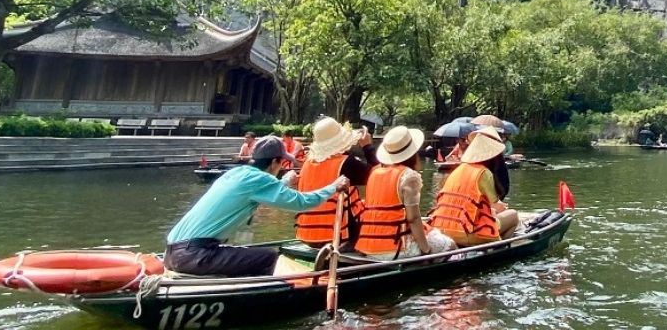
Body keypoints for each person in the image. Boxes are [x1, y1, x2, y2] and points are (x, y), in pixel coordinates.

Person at [165, 136, 347, 277]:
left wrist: (283, 182)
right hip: (195, 255)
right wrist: (333, 187)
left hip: (172, 253)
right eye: (282, 163)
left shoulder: (236, 173)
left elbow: (257, 192)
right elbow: (302, 202)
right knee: (268, 257)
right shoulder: (261, 179)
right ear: (276, 162)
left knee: (251, 254)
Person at [356, 126, 455, 259]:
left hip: (367, 246)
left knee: (432, 233)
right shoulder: (408, 176)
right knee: (450, 245)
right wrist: (426, 250)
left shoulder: (374, 172)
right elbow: (413, 219)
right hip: (396, 248)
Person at [295, 117, 379, 247]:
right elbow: (379, 177)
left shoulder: (308, 163)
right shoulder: (346, 162)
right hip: (339, 236)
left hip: (307, 236)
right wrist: (368, 147)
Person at [431, 127, 520, 246]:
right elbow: (494, 205)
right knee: (513, 215)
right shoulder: (483, 173)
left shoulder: (458, 170)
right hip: (469, 233)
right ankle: (499, 249)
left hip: (443, 231)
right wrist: (502, 208)